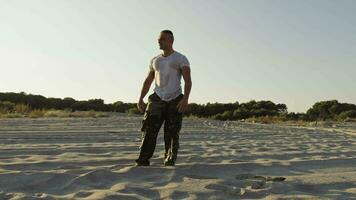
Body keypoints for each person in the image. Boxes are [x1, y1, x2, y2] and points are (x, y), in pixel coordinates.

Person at [135, 29, 192, 166]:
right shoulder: (155, 60)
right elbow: (148, 81)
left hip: (175, 99)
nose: (159, 41)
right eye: (159, 39)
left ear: (171, 40)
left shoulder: (181, 58)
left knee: (172, 132)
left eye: (162, 39)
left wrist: (185, 99)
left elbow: (188, 81)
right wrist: (140, 98)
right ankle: (143, 159)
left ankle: (169, 159)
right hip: (157, 98)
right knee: (149, 129)